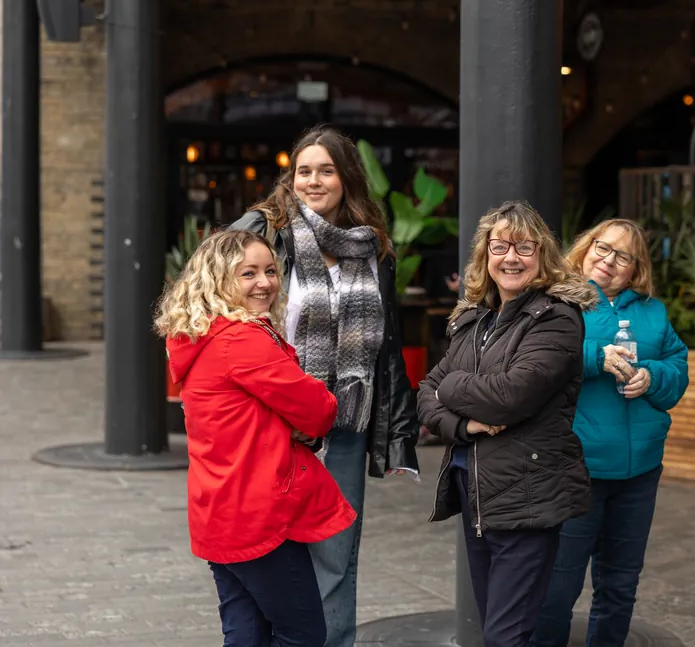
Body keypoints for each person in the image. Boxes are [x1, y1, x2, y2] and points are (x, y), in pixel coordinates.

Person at [230, 124, 420, 647]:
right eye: (304, 171)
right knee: (272, 556)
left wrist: (400, 431)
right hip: (275, 423)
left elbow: (389, 346)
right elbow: (212, 301)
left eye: (326, 170)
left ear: (346, 178)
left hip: (345, 424)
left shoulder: (373, 249)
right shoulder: (265, 231)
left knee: (335, 558)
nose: (313, 181)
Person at [155, 229, 357, 647]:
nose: (264, 282)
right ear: (218, 279)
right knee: (301, 633)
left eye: (269, 270)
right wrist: (299, 418)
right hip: (257, 511)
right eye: (248, 273)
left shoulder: (200, 336)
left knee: (246, 633)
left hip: (219, 508)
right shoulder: (243, 339)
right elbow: (319, 411)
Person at [417, 201, 595, 647]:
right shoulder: (473, 319)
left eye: (524, 247)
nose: (510, 257)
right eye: (500, 246)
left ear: (543, 256)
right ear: (485, 256)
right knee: (498, 630)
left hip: (527, 495)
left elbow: (510, 395)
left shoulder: (556, 319)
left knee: (505, 636)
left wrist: (453, 385)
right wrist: (465, 428)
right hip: (476, 492)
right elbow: (423, 394)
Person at [532, 218, 689, 647]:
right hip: (577, 466)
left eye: (623, 256)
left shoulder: (652, 311)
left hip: (639, 472)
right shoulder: (560, 299)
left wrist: (652, 376)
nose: (609, 260)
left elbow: (678, 367)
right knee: (558, 587)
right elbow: (541, 357)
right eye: (603, 248)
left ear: (635, 269)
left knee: (620, 586)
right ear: (586, 248)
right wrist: (594, 358)